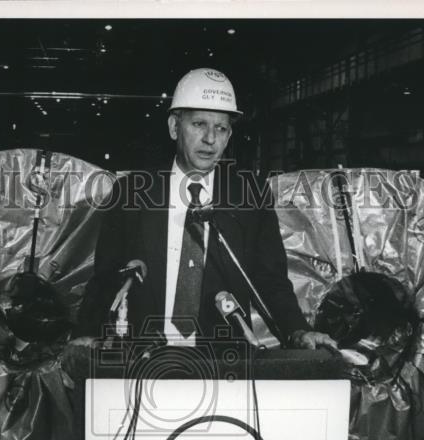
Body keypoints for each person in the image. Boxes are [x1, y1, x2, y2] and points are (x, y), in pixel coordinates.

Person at [71, 68, 338, 350]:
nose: (210, 139)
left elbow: (270, 279)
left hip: (226, 360)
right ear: (175, 127)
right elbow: (106, 276)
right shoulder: (131, 192)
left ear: (229, 134)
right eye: (199, 124)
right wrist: (87, 331)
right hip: (144, 357)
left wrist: (298, 330)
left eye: (220, 128)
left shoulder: (250, 195)